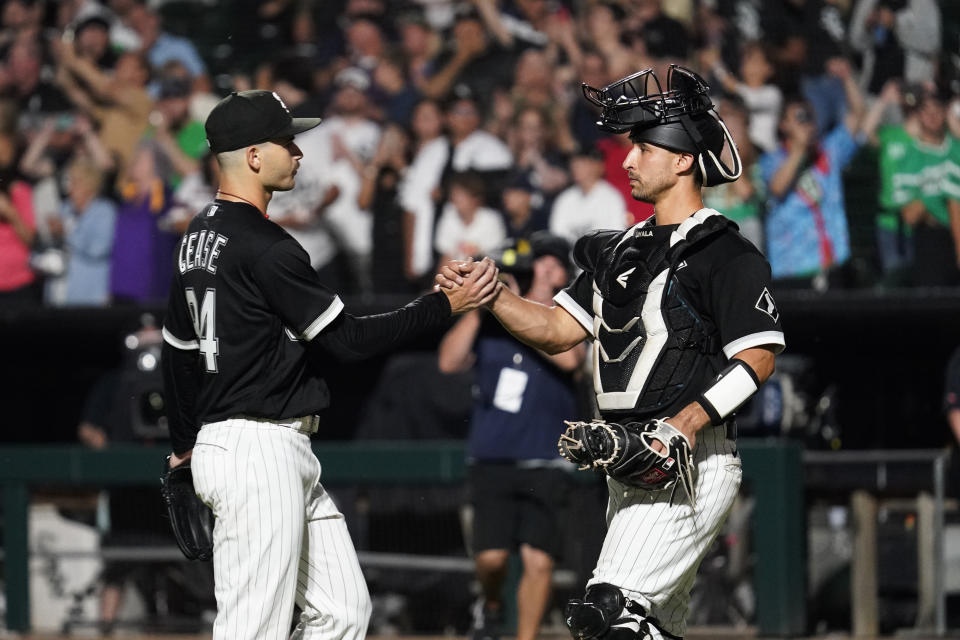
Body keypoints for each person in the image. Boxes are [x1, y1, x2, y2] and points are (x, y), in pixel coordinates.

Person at [438, 65, 785, 640]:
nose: (626, 161)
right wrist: (492, 294)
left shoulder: (725, 250)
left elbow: (759, 357)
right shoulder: (621, 248)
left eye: (644, 148)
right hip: (628, 467)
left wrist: (681, 425)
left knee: (607, 616)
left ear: (681, 160)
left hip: (690, 463)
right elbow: (555, 329)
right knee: (647, 628)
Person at [160, 89, 499, 640]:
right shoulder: (266, 244)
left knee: (342, 613)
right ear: (252, 155)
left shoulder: (198, 235)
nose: (298, 153)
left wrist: (181, 451)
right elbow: (347, 342)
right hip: (257, 450)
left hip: (256, 445)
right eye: (287, 142)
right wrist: (441, 306)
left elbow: (179, 353)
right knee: (252, 629)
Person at [438, 232, 586, 640]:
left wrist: (520, 309)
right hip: (493, 456)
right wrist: (483, 306)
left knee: (539, 562)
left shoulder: (568, 313)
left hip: (547, 456)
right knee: (491, 560)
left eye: (549, 263)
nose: (540, 270)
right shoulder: (491, 319)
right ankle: (490, 603)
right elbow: (448, 361)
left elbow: (571, 358)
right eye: (537, 262)